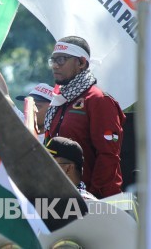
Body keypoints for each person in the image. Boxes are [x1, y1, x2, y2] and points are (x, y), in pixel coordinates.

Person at [44, 36, 125, 199]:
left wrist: (92, 197)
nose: (55, 66)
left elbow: (108, 155)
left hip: (97, 201)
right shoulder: (60, 100)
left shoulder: (98, 100)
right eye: (52, 60)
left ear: (81, 63)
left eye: (61, 60)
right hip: (63, 198)